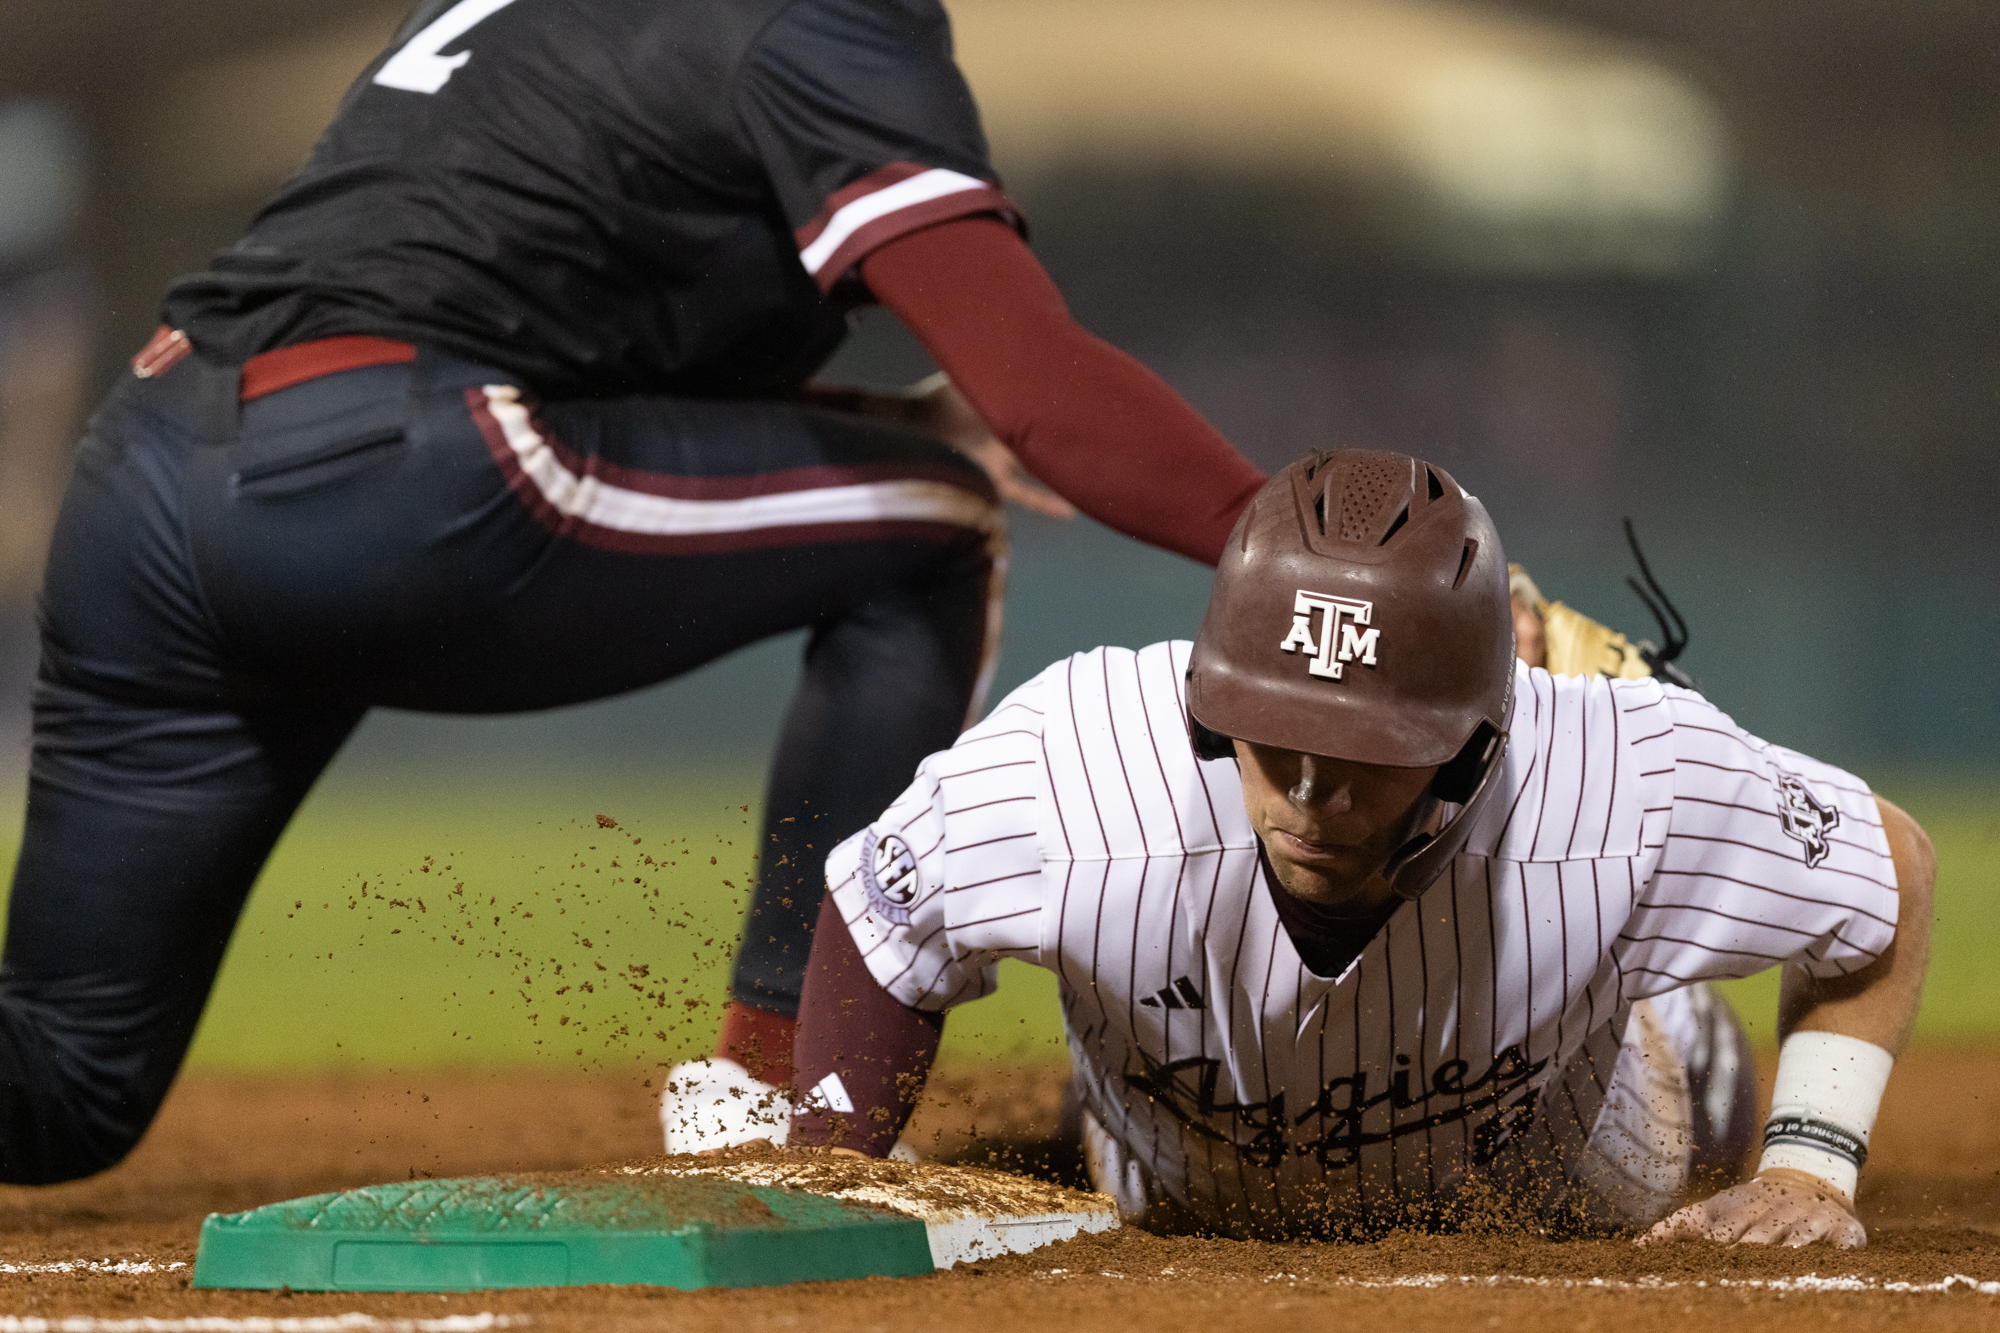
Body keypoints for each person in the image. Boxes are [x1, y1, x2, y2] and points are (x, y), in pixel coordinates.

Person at [0, 0, 1268, 1184]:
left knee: (66, 1081)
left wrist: (878, 418)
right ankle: (781, 1101)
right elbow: (1035, 388)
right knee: (935, 520)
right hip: (396, 480)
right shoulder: (813, 19)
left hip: (146, 475)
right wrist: (1306, 551)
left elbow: (508, 299)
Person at [776, 449, 1934, 1245]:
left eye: (1367, 749)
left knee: (1683, 1081)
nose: (1315, 791)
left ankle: (1671, 1019)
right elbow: (884, 919)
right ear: (1205, 701)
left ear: (1479, 737)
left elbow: (1888, 867)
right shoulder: (1076, 761)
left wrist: (1803, 1166)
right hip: (1175, 1162)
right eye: (1275, 740)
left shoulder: (1615, 775)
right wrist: (830, 1165)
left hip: (1565, 1169)